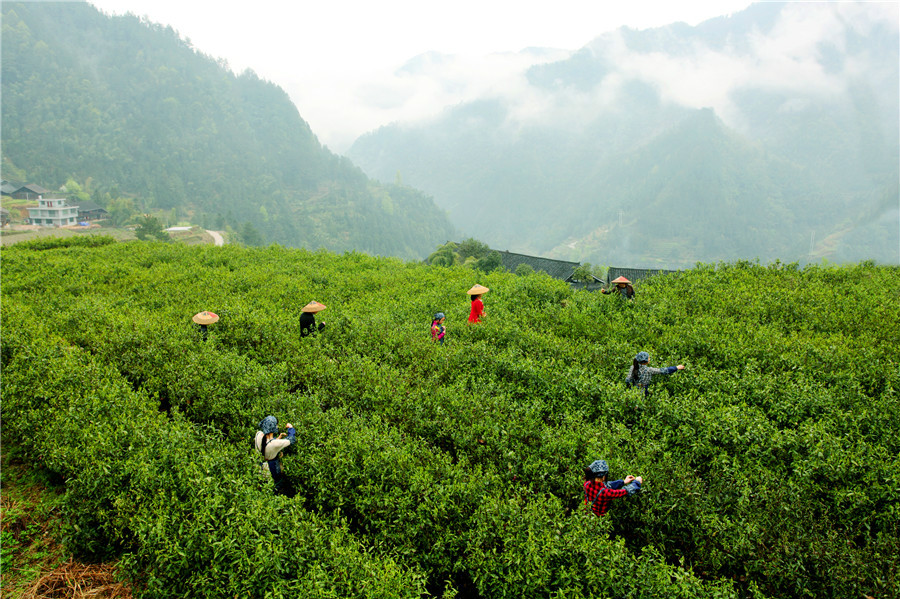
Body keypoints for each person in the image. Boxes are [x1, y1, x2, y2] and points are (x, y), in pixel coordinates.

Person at [255, 415, 296, 494]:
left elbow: (266, 442)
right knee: (277, 483)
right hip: (272, 467)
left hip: (261, 465)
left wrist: (277, 438)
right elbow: (292, 439)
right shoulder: (275, 444)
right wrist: (291, 428)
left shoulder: (258, 435)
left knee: (265, 483)